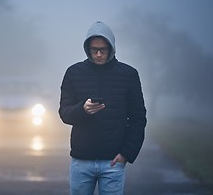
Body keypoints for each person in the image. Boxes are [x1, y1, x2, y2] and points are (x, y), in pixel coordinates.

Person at [59, 21, 147, 195]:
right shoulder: (73, 73)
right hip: (81, 160)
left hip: (114, 161)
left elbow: (138, 117)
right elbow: (64, 113)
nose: (99, 54)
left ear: (111, 48)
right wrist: (82, 110)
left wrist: (127, 154)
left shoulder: (129, 75)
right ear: (87, 49)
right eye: (94, 50)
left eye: (103, 49)